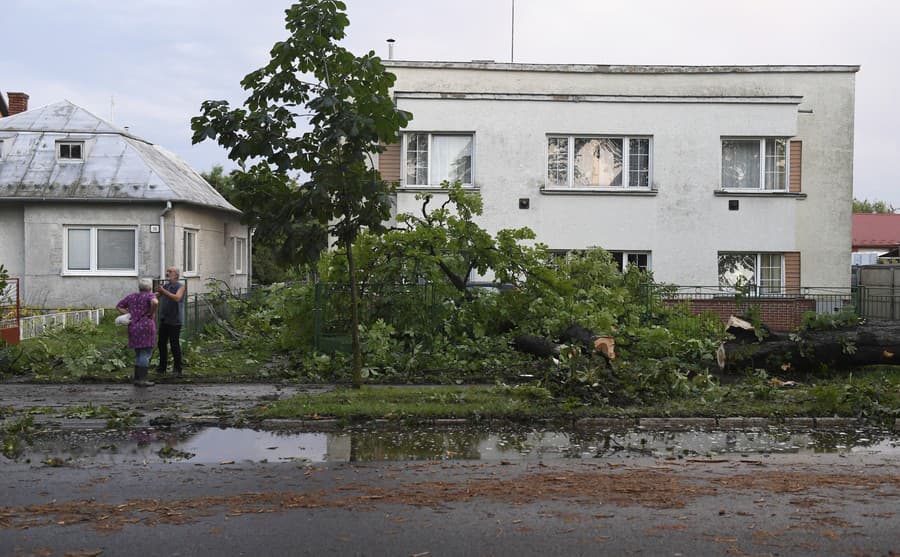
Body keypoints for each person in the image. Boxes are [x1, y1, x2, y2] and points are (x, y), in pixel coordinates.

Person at [116, 278, 159, 387]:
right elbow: (155, 302)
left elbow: (119, 306)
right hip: (146, 326)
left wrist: (131, 313)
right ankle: (142, 380)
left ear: (139, 287)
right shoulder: (150, 296)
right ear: (150, 287)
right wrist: (151, 312)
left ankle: (137, 378)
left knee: (139, 352)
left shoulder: (132, 296)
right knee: (146, 353)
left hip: (134, 326)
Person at [155, 266, 186, 376]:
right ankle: (162, 367)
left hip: (175, 320)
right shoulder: (166, 286)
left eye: (170, 271)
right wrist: (145, 295)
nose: (167, 273)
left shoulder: (180, 287)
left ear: (176, 274)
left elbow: (177, 298)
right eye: (167, 271)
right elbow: (156, 296)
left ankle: (178, 369)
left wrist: (163, 291)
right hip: (165, 319)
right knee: (161, 343)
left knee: (174, 344)